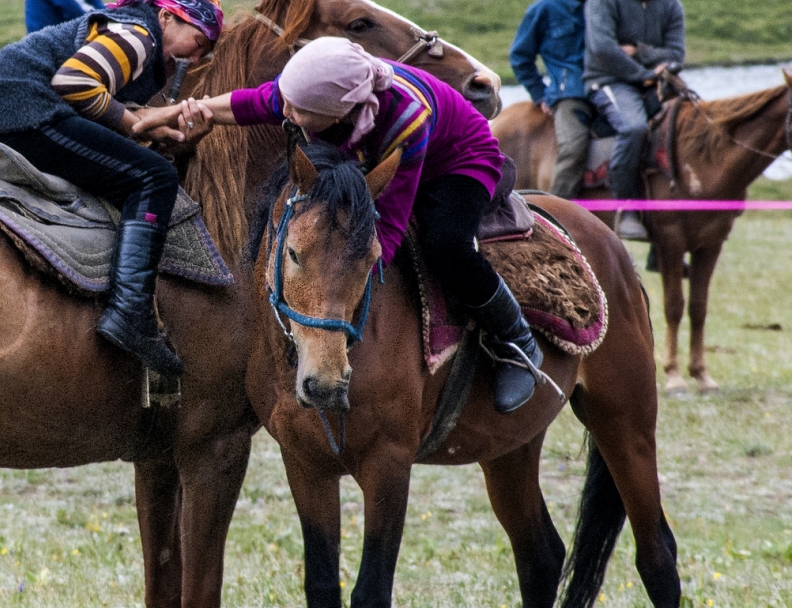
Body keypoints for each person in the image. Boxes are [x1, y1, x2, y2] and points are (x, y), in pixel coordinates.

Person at [145, 36, 547, 414]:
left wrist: (349, 274)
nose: (286, 114)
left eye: (298, 111)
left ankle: (517, 339)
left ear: (342, 110)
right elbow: (254, 103)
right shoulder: (312, 93)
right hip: (376, 149)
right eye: (288, 101)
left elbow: (390, 217)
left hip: (458, 160)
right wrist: (175, 113)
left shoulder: (406, 120)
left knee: (446, 245)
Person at [0, 0, 222, 376]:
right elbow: (74, 83)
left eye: (205, 51)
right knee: (153, 177)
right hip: (19, 112)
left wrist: (149, 127)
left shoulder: (130, 33)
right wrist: (135, 123)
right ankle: (131, 313)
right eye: (197, 40)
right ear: (167, 16)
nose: (195, 57)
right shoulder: (138, 34)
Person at [583, 0, 685, 240]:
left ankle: (665, 229)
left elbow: (676, 54)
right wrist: (645, 73)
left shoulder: (671, 6)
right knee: (634, 128)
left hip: (654, 85)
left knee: (688, 125)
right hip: (608, 81)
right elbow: (603, 51)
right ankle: (626, 207)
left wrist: (639, 50)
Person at [508, 0, 598, 198]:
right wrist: (539, 93)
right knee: (572, 148)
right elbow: (520, 56)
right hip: (571, 95)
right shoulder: (544, 10)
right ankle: (559, 212)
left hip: (614, 87)